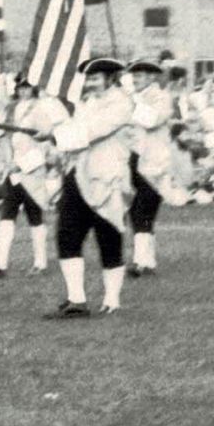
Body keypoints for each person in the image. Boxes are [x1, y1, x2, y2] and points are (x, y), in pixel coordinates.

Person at [46, 57, 136, 317]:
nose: (89, 83)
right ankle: (76, 301)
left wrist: (56, 136)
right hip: (78, 174)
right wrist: (52, 133)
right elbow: (73, 128)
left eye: (95, 78)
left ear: (110, 78)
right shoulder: (88, 103)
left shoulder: (122, 103)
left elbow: (94, 131)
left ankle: (112, 300)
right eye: (88, 79)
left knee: (108, 237)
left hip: (108, 177)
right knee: (66, 235)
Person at [0, 77, 64, 278]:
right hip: (13, 173)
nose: (23, 91)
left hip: (31, 172)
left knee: (35, 218)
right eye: (20, 87)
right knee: (6, 217)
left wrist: (23, 164)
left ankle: (40, 263)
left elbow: (44, 144)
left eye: (27, 87)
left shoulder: (40, 109)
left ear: (33, 88)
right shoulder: (11, 109)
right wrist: (4, 163)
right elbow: (4, 139)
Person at [125, 58, 175, 276]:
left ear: (151, 77)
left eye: (139, 76)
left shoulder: (161, 97)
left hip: (153, 160)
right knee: (136, 209)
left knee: (145, 208)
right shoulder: (131, 98)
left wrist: (134, 102)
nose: (135, 80)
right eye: (133, 76)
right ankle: (146, 261)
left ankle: (141, 261)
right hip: (133, 158)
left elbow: (152, 120)